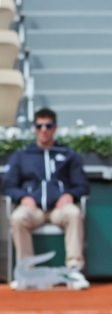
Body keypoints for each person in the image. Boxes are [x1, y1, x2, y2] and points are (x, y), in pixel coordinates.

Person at [3, 107, 90, 289]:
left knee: (74, 213)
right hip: (33, 209)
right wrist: (24, 197)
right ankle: (26, 271)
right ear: (34, 128)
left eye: (48, 126)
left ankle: (73, 271)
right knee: (18, 218)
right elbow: (8, 185)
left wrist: (69, 195)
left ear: (55, 128)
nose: (44, 130)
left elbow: (82, 185)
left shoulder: (68, 154)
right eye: (39, 126)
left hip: (59, 209)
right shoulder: (22, 156)